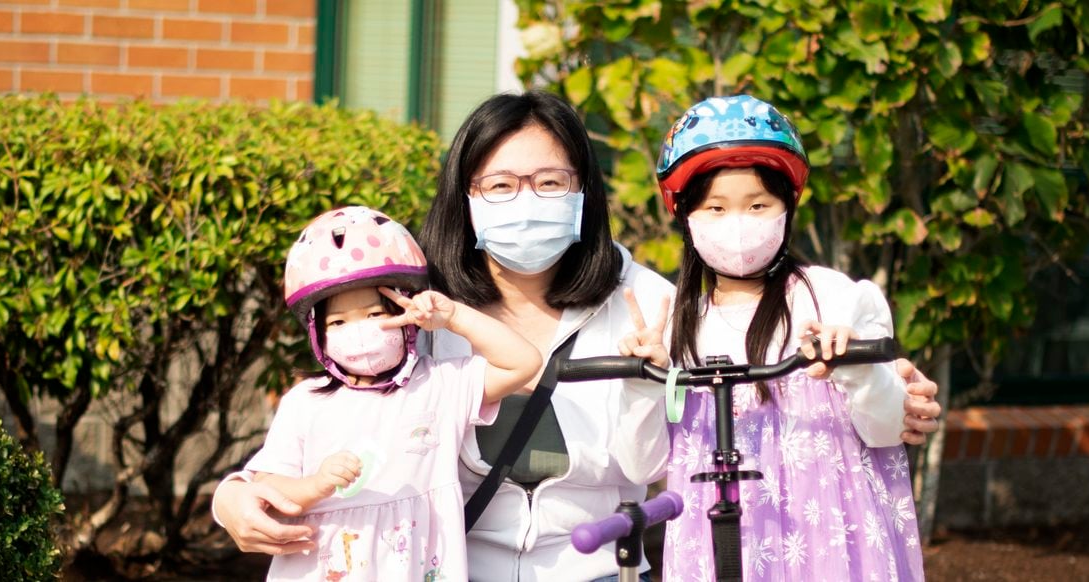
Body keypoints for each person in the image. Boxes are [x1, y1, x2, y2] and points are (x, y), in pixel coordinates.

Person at [211, 91, 943, 581]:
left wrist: (879, 371)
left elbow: (758, 369)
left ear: (585, 194)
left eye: (550, 183)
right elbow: (331, 418)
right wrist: (234, 495)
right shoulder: (414, 315)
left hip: (602, 571)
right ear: (463, 199)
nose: (525, 203)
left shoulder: (654, 304)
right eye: (499, 187)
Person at [627, 95, 924, 580]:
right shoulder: (678, 327)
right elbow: (644, 466)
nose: (738, 224)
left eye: (758, 204)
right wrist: (643, 378)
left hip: (828, 544)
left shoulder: (829, 298)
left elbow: (886, 426)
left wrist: (855, 367)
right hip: (718, 544)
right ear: (685, 216)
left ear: (787, 206)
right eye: (716, 208)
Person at [238, 206, 542, 581]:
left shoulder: (440, 385)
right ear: (318, 334)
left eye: (373, 314)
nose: (361, 331)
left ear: (407, 316)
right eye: (338, 321)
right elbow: (267, 491)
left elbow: (523, 364)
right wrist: (314, 485)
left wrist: (454, 318)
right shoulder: (305, 402)